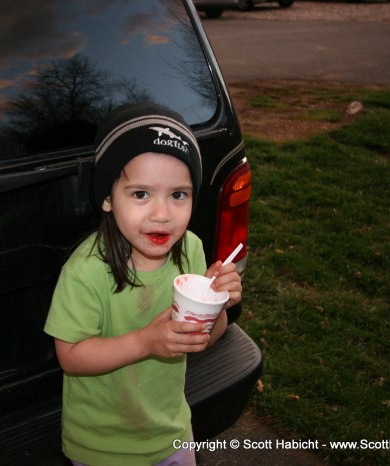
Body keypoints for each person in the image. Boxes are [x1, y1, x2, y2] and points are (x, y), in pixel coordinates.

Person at [44, 102, 242, 465]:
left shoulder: (192, 250)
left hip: (173, 434)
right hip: (102, 449)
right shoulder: (85, 272)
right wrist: (145, 342)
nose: (162, 214)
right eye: (140, 194)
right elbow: (70, 357)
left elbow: (205, 338)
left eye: (178, 194)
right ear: (107, 198)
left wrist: (218, 307)